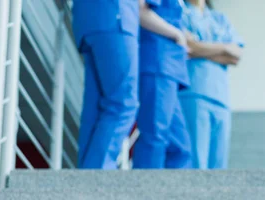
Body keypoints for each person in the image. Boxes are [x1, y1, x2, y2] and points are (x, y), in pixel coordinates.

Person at [73, 0, 140, 169]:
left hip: (89, 20)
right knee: (123, 103)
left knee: (95, 109)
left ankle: (84, 180)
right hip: (116, 16)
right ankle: (96, 177)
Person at [179, 0, 244, 169]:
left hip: (221, 99)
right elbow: (188, 47)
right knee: (196, 164)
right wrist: (224, 48)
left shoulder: (219, 18)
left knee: (219, 167)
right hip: (193, 94)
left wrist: (200, 49)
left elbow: (236, 55)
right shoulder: (181, 12)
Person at [133, 0, 193, 168]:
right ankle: (143, 191)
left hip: (170, 67)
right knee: (155, 136)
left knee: (181, 148)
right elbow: (141, 12)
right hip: (157, 62)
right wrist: (177, 34)